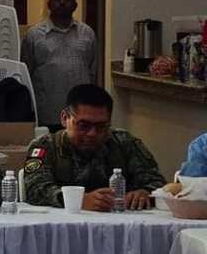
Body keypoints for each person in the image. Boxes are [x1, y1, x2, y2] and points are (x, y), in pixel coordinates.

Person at [24, 84, 166, 211]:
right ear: (64, 118)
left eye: (101, 127)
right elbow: (35, 189)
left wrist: (145, 192)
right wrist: (79, 200)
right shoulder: (46, 146)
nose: (92, 133)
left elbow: (159, 184)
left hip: (119, 221)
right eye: (83, 126)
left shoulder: (124, 143)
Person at [21, 0, 97, 131]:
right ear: (49, 4)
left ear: (75, 5)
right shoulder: (34, 35)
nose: (62, 3)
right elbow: (26, 75)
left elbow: (92, 72)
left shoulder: (87, 34)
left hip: (80, 114)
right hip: (46, 114)